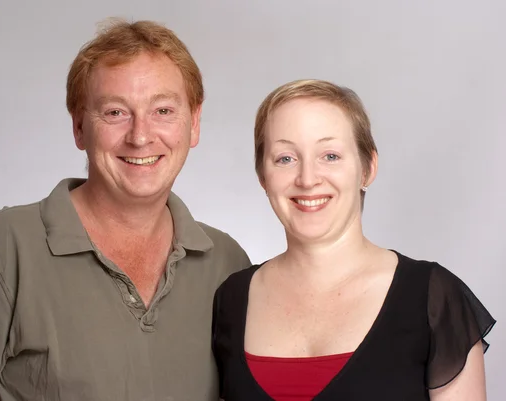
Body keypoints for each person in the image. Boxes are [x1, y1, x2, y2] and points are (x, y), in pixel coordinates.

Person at [0, 19, 251, 401]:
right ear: (78, 127)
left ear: (194, 124)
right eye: (115, 113)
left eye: (163, 111)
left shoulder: (228, 264)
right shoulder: (3, 249)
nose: (140, 136)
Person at [211, 79, 496, 400]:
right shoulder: (231, 299)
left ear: (367, 168)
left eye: (330, 155)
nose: (307, 179)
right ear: (263, 176)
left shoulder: (433, 298)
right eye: (285, 158)